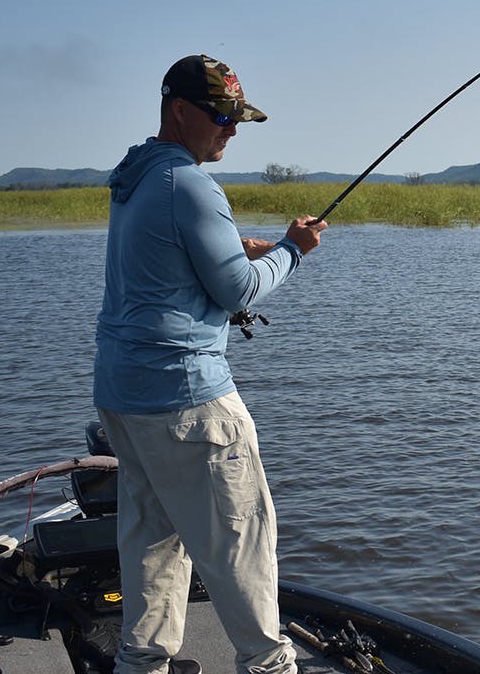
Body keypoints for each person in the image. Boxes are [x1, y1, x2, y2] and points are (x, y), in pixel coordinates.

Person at [93, 53, 325, 674]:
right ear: (180, 110)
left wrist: (237, 245)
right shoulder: (191, 183)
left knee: (152, 543)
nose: (232, 128)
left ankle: (141, 664)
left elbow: (170, 259)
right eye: (222, 115)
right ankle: (270, 665)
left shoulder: (138, 175)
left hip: (124, 394)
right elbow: (240, 292)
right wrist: (291, 250)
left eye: (238, 118)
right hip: (188, 400)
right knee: (242, 543)